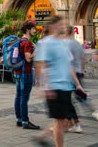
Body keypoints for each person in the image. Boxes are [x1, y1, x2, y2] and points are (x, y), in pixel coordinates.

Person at [32, 16, 85, 147]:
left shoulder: (63, 43)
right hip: (54, 87)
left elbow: (70, 65)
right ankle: (50, 140)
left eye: (64, 25)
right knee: (61, 121)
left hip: (67, 86)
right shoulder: (45, 43)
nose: (63, 27)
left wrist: (78, 84)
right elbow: (41, 65)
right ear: (52, 26)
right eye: (60, 24)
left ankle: (42, 136)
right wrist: (44, 87)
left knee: (65, 121)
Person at [14, 21, 40, 130]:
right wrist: (37, 50)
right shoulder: (27, 43)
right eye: (33, 29)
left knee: (18, 96)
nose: (35, 30)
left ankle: (19, 119)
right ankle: (25, 121)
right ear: (28, 29)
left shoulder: (20, 41)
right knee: (24, 97)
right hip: (26, 73)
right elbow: (28, 58)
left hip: (18, 72)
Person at [66, 26, 91, 130]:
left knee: (67, 101)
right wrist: (81, 70)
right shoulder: (78, 44)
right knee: (74, 97)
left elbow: (67, 63)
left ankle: (74, 124)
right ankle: (73, 123)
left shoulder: (65, 44)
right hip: (78, 73)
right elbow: (83, 59)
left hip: (69, 74)